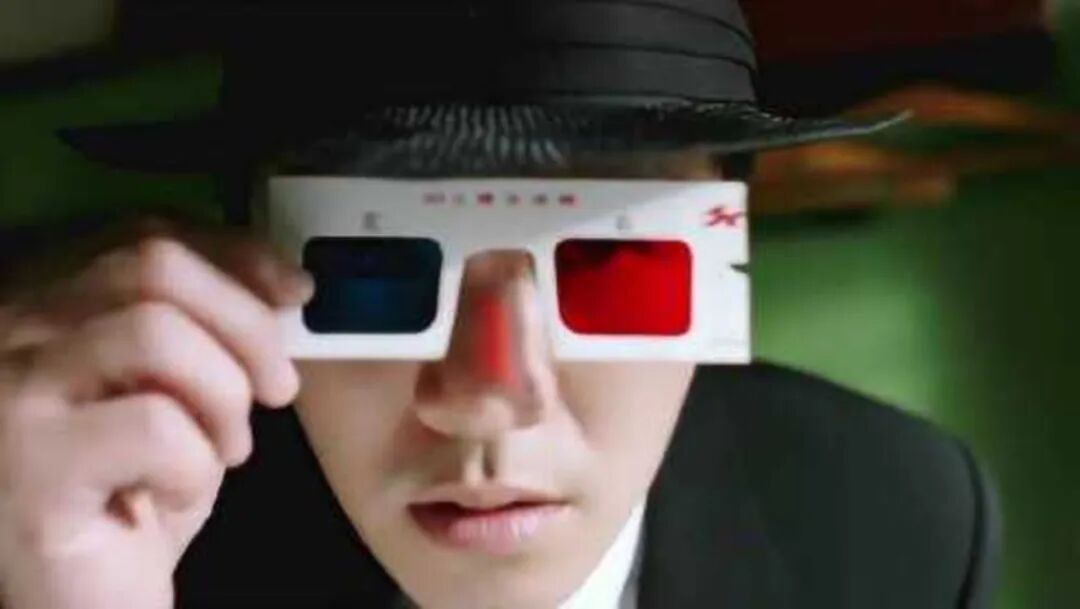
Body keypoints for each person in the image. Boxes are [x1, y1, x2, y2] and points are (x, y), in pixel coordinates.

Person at [0, 1, 999, 608]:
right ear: (241, 260)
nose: (489, 396)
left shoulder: (904, 520)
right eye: (373, 270)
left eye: (619, 269)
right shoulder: (85, 525)